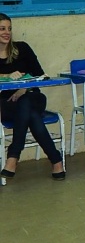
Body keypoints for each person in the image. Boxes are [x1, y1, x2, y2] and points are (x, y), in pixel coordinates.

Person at [0, 13, 65, 180]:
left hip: (31, 96)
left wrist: (24, 88)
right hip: (6, 104)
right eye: (2, 29)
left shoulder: (22, 48)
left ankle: (13, 156)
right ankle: (56, 161)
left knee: (26, 101)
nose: (7, 32)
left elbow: (41, 75)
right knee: (32, 115)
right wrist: (6, 76)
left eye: (9, 28)